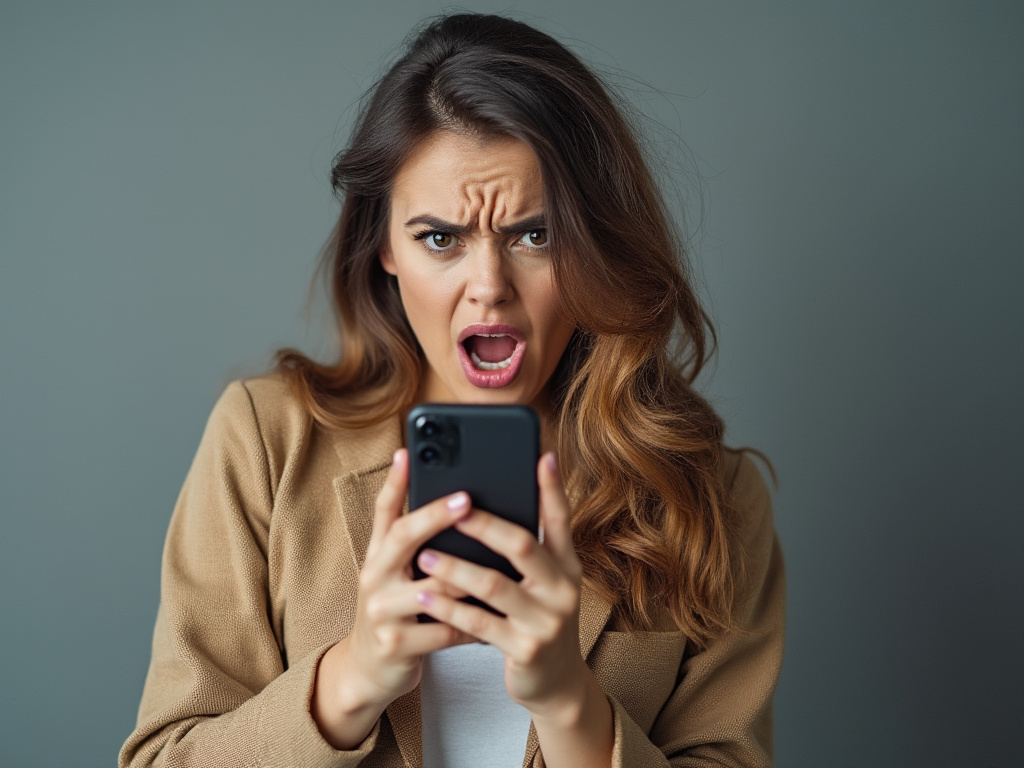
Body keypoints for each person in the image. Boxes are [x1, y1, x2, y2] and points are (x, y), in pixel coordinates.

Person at [120, 12, 784, 768]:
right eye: (442, 238)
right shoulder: (264, 442)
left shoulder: (713, 496)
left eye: (535, 235)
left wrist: (571, 704)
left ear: (594, 241)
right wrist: (351, 679)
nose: (489, 289)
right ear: (385, 249)